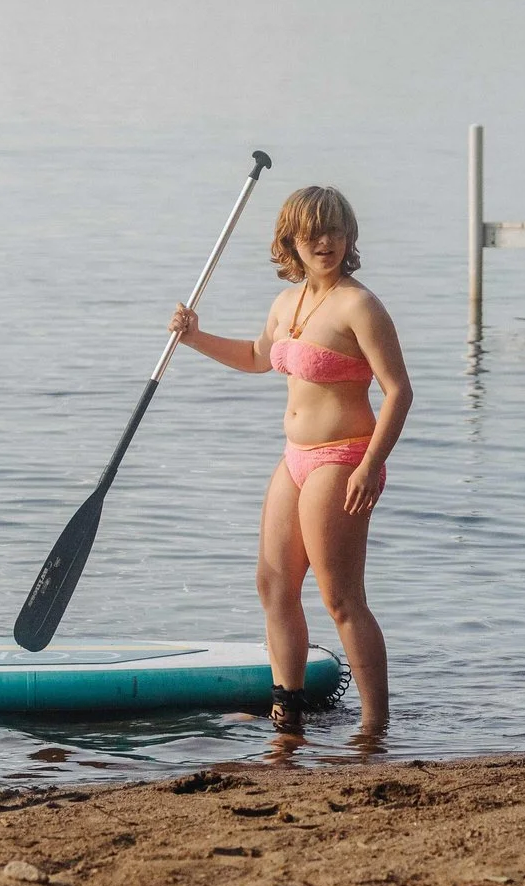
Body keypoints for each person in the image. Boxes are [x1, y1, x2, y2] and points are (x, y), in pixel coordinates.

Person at [169, 185, 410, 736]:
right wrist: (195, 337)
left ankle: (374, 728)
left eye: (335, 230)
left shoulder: (359, 305)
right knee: (273, 584)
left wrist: (371, 465)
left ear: (349, 237)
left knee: (341, 598)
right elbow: (258, 357)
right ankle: (288, 709)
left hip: (344, 458)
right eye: (313, 232)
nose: (325, 242)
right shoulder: (288, 303)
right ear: (291, 241)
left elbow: (398, 391)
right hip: (295, 457)